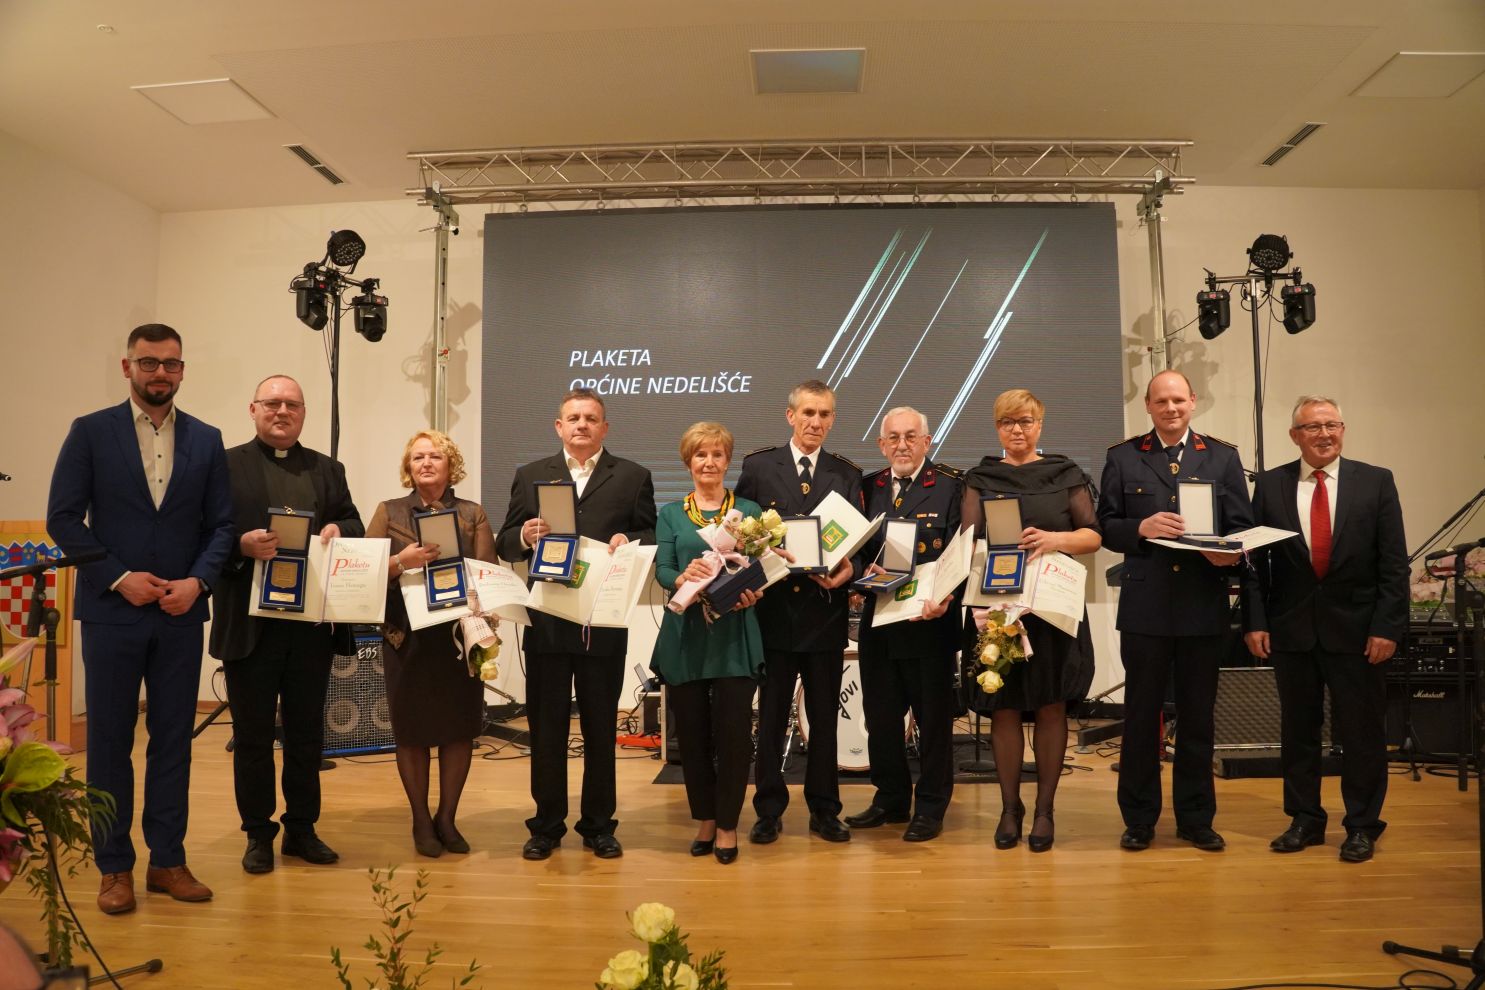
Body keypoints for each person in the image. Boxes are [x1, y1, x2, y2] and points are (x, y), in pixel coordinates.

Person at [45, 323, 233, 914]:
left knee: (174, 741)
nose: (160, 374)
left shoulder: (206, 439)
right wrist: (120, 578)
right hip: (112, 614)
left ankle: (168, 861)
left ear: (182, 370)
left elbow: (222, 525)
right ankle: (114, 867)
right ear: (127, 367)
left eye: (170, 364)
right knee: (107, 744)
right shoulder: (91, 432)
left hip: (180, 613)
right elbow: (64, 519)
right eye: (148, 363)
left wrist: (198, 581)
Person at [209, 375, 363, 873]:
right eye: (272, 403)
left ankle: (302, 828)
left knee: (305, 735)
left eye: (291, 404)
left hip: (308, 626)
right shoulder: (225, 465)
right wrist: (240, 546)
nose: (282, 411)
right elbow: (203, 532)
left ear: (303, 413)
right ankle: (257, 833)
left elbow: (354, 523)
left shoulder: (327, 469)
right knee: (253, 737)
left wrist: (340, 530)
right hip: (250, 625)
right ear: (253, 409)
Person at [1243, 396, 1406, 863]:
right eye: (1311, 427)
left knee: (1362, 734)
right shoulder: (1272, 485)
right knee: (1298, 731)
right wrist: (1255, 620)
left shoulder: (1376, 482)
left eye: (1331, 424)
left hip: (1359, 632)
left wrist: (1387, 627)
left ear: (1343, 429)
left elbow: (1393, 564)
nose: (1323, 434)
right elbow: (1254, 561)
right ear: (1295, 436)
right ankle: (1305, 820)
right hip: (1291, 630)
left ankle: (1361, 825)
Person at [1097, 369, 1253, 852]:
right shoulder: (1123, 457)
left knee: (1198, 718)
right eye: (1161, 401)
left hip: (1201, 606)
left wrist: (1228, 554)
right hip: (1145, 607)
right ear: (1148, 405)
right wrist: (1140, 528)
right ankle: (1139, 819)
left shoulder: (1223, 458)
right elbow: (1104, 525)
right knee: (1141, 718)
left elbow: (1242, 531)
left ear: (1194, 402)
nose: (1171, 408)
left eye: (1179, 400)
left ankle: (1196, 818)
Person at [496, 389, 656, 860]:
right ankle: (546, 826)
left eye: (591, 418)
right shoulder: (531, 477)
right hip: (547, 622)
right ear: (558, 426)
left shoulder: (632, 476)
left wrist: (632, 539)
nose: (581, 425)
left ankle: (598, 825)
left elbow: (651, 533)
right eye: (573, 418)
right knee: (545, 729)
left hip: (602, 623)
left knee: (602, 728)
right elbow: (505, 543)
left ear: (605, 428)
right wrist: (523, 535)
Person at [960, 390, 1101, 852]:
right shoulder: (980, 477)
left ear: (1040, 424)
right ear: (997, 427)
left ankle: (1044, 810)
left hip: (1052, 611)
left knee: (1050, 705)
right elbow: (967, 541)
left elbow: (1093, 536)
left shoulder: (1066, 474)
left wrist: (1054, 538)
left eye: (1025, 421)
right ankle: (1008, 808)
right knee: (1003, 705)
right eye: (1007, 423)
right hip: (998, 609)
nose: (1016, 430)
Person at [737, 379, 863, 845]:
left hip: (824, 613)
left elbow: (857, 544)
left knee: (825, 718)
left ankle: (825, 809)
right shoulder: (758, 466)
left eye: (825, 414)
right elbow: (742, 535)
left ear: (833, 419)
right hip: (773, 614)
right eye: (808, 413)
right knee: (770, 717)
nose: (816, 422)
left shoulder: (846, 472)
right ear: (790, 415)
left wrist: (848, 570)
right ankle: (768, 809)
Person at [366, 431, 495, 857]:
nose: (426, 463)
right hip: (406, 638)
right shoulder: (389, 512)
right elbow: (366, 572)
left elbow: (486, 570)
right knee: (413, 733)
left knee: (459, 731)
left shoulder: (472, 513)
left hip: (459, 640)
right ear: (409, 466)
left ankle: (447, 818)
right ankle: (421, 820)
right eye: (418, 456)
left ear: (449, 463)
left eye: (434, 456)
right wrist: (404, 561)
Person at [650, 422, 768, 865]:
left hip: (735, 636)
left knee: (735, 738)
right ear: (688, 461)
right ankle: (704, 818)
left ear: (727, 461)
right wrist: (683, 576)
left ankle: (728, 825)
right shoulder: (670, 514)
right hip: (687, 639)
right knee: (694, 740)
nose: (709, 462)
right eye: (701, 455)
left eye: (718, 454)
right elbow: (662, 568)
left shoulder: (750, 510)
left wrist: (755, 590)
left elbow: (763, 568)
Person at [845, 407, 963, 843]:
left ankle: (931, 807)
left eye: (911, 436)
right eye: (892, 437)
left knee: (933, 723)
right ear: (881, 444)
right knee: (881, 718)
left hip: (929, 622)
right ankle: (890, 799)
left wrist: (948, 593)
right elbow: (856, 547)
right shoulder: (868, 486)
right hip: (880, 624)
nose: (901, 445)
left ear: (927, 441)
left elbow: (960, 547)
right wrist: (855, 579)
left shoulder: (950, 485)